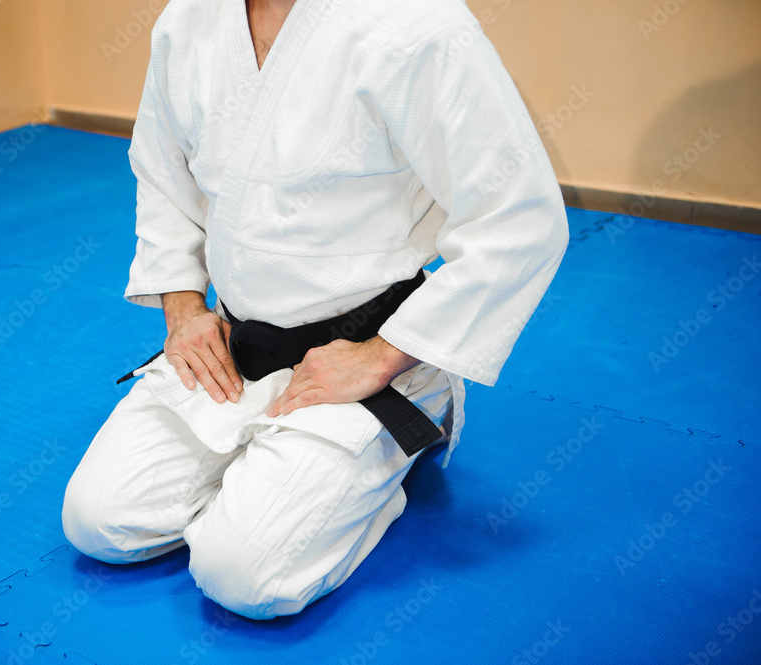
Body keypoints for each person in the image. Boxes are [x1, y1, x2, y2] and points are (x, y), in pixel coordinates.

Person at [62, 0, 568, 620]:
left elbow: (519, 217)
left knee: (241, 575)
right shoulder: (189, 19)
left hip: (366, 358)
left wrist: (380, 357)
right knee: (99, 522)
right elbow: (164, 172)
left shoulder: (419, 25)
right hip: (235, 343)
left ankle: (424, 394)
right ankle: (278, 461)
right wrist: (183, 306)